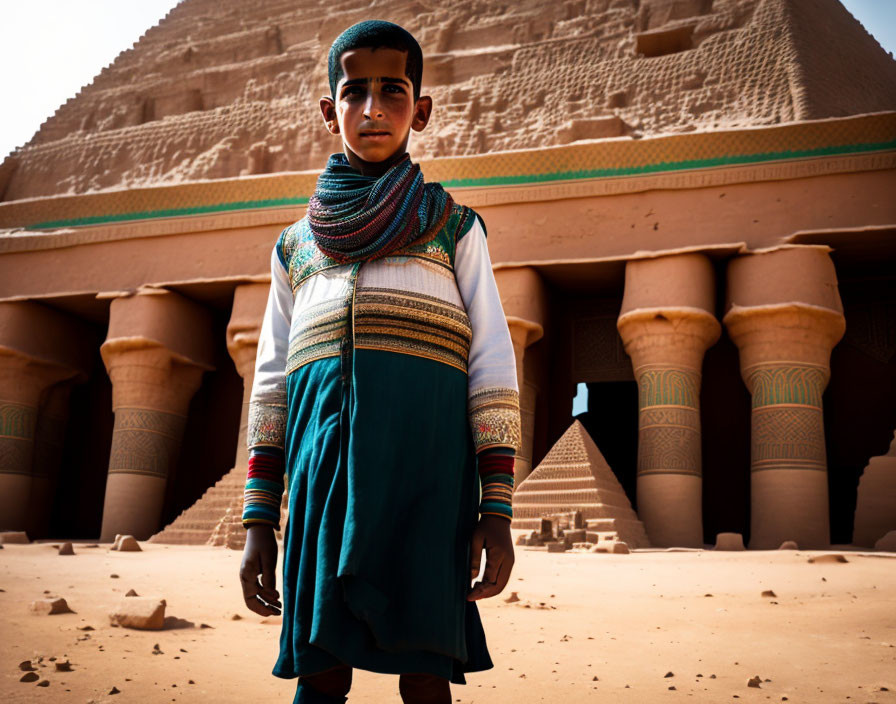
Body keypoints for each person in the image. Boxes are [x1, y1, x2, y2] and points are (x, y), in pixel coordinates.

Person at [238, 19, 520, 704]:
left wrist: (497, 510)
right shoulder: (294, 248)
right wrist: (257, 522)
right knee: (321, 671)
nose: (372, 111)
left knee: (425, 675)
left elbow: (492, 368)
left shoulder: (455, 229)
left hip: (425, 483)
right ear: (328, 111)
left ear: (420, 110)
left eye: (392, 91)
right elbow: (271, 384)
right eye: (353, 93)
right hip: (318, 484)